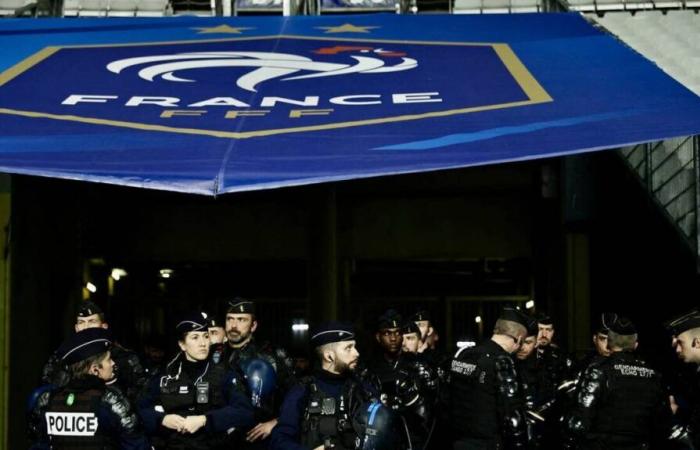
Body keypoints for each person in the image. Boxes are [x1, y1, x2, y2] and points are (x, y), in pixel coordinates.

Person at [138, 311, 255, 449]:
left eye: (206, 336)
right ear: (182, 344)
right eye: (195, 337)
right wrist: (162, 420)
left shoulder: (224, 373)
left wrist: (205, 420)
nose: (203, 343)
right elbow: (140, 410)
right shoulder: (167, 375)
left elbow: (245, 412)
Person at [269, 321, 394, 450]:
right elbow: (279, 440)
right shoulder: (302, 391)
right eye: (348, 348)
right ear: (329, 356)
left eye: (355, 347)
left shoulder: (364, 389)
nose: (356, 353)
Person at [30, 328, 150, 449]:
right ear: (95, 369)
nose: (113, 363)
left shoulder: (48, 402)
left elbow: (39, 444)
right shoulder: (111, 403)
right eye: (108, 359)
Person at [563, 317, 671, 449]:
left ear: (609, 343)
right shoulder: (653, 375)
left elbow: (578, 424)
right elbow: (664, 424)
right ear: (635, 345)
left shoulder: (599, 371)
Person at [448, 307, 529, 449]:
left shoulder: (464, 355)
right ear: (519, 339)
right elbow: (512, 417)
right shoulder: (502, 362)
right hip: (489, 443)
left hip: (458, 442)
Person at [223, 297, 296, 447]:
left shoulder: (272, 356)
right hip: (220, 440)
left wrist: (276, 422)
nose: (234, 325)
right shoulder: (214, 355)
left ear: (253, 325)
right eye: (230, 319)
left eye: (242, 319)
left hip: (259, 440)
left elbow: (297, 396)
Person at [42, 300, 148, 401]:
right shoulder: (61, 358)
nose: (86, 327)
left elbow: (140, 397)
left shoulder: (125, 359)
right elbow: (48, 395)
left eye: (92, 321)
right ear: (76, 328)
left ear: (104, 326)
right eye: (81, 322)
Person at [665, 308, 700, 448]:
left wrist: (675, 425)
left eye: (680, 343)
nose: (678, 350)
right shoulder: (692, 374)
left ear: (697, 342)